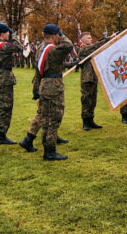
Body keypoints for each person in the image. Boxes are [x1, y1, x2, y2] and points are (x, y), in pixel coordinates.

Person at [36, 24, 73, 160]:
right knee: (55, 117)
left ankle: (47, 147)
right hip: (53, 86)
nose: (59, 38)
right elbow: (69, 45)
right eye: (58, 35)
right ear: (53, 36)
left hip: (44, 84)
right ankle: (50, 151)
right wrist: (62, 33)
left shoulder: (41, 49)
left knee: (45, 117)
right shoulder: (52, 50)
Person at [0, 23, 23, 145]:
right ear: (2, 34)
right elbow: (18, 46)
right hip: (3, 78)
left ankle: (0, 133)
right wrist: (14, 35)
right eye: (7, 32)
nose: (9, 34)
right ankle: (0, 136)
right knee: (5, 106)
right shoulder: (2, 46)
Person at [79, 31, 113, 131]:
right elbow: (97, 46)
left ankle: (91, 120)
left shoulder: (92, 47)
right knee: (86, 100)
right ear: (83, 40)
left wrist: (109, 38)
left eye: (91, 37)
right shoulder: (84, 49)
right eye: (88, 38)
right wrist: (107, 39)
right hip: (86, 79)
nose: (91, 39)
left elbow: (97, 45)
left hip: (94, 77)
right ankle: (85, 121)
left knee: (93, 100)